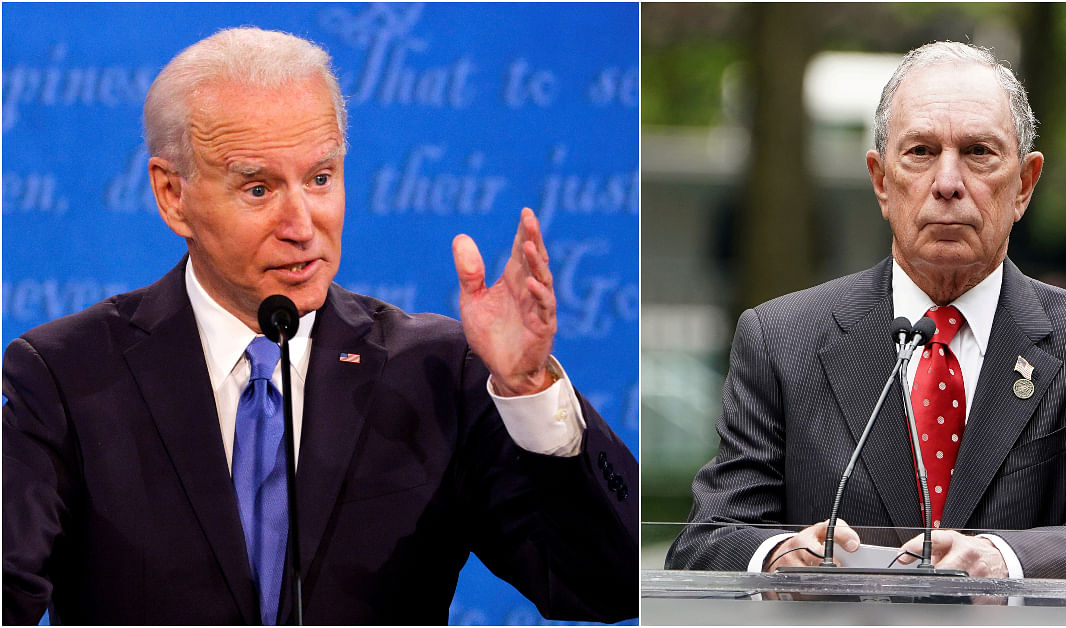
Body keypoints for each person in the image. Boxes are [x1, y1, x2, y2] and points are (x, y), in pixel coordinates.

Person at [3, 27, 637, 624]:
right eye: (258, 189)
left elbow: (604, 582)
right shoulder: (65, 375)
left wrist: (529, 387)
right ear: (173, 196)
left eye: (320, 178)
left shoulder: (437, 371)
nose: (302, 224)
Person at [665, 41, 1066, 581]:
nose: (947, 183)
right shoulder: (783, 340)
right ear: (880, 180)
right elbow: (708, 539)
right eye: (921, 152)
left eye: (978, 153)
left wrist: (1003, 559)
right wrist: (778, 555)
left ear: (1024, 185)